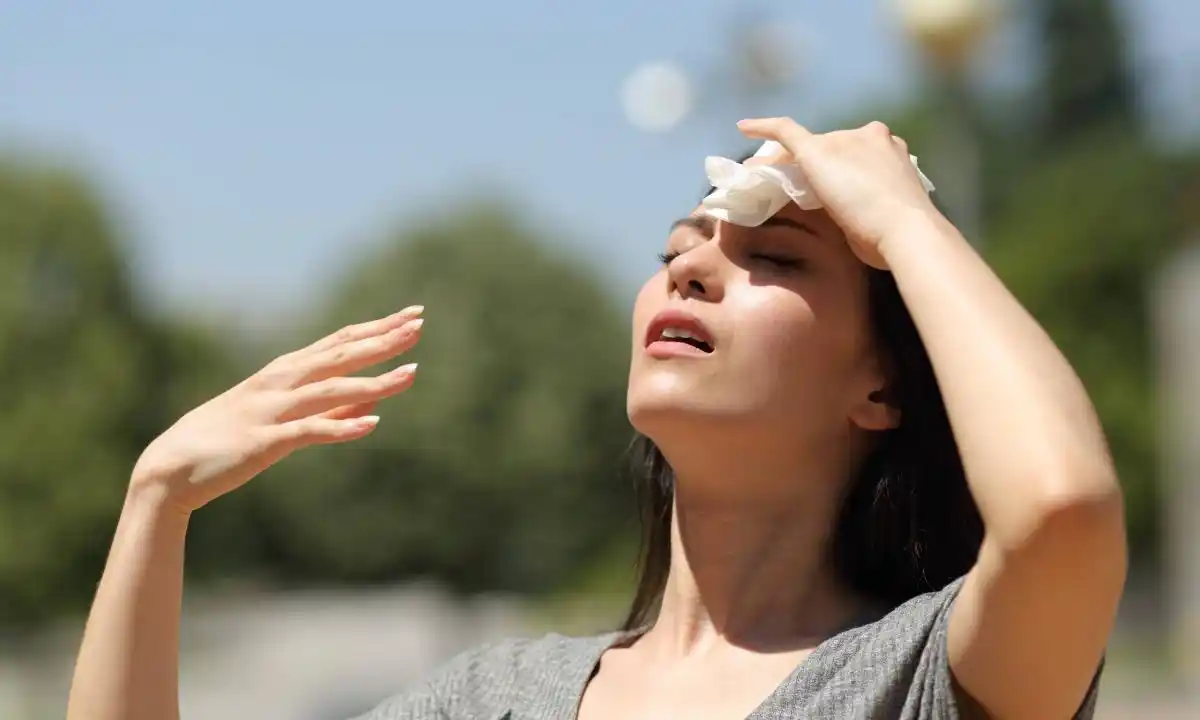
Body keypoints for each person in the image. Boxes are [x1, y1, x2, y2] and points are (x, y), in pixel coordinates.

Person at [66, 118, 1126, 720]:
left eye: (776, 258)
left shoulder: (922, 679)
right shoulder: (490, 701)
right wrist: (156, 505)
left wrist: (901, 215)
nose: (696, 268)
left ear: (883, 389)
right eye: (675, 252)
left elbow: (1062, 511)